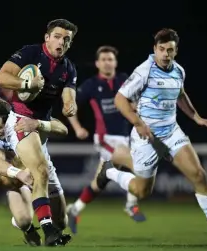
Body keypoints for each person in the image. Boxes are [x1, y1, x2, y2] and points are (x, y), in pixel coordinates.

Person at [104, 28, 207, 243]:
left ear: (175, 51)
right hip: (146, 137)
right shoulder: (144, 71)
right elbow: (120, 100)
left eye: (170, 50)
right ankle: (110, 172)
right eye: (162, 50)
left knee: (199, 175)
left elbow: (180, 94)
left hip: (171, 133)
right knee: (141, 192)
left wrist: (195, 117)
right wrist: (138, 123)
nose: (166, 54)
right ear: (155, 50)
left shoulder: (178, 71)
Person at [0, 19, 78, 246]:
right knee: (39, 171)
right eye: (58, 37)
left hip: (40, 127)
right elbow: (1, 77)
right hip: (20, 120)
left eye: (67, 39)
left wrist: (71, 106)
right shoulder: (30, 53)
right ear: (47, 38)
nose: (62, 42)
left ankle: (39, 220)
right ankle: (48, 231)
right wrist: (25, 85)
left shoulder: (68, 69)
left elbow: (69, 97)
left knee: (62, 220)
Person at [0, 98, 71, 246]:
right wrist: (19, 174)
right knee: (23, 220)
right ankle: (33, 230)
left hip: (43, 172)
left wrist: (39, 124)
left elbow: (63, 129)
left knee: (61, 222)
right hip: (19, 180)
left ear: (8, 117)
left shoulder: (26, 120)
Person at [66, 46, 146, 234]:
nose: (107, 62)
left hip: (127, 138)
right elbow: (70, 106)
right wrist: (77, 127)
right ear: (97, 63)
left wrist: (136, 108)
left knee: (99, 182)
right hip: (105, 139)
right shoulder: (91, 85)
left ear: (115, 63)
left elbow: (136, 102)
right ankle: (131, 205)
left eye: (110, 59)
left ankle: (74, 209)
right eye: (103, 59)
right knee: (137, 164)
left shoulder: (124, 80)